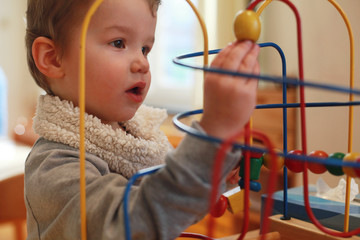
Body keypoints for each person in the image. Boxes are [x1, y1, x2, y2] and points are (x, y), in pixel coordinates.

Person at [24, 0, 260, 239]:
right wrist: (213, 131)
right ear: (52, 58)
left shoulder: (139, 140)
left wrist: (214, 173)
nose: (142, 63)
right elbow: (128, 224)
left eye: (145, 48)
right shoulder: (53, 166)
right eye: (119, 43)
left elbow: (170, 205)